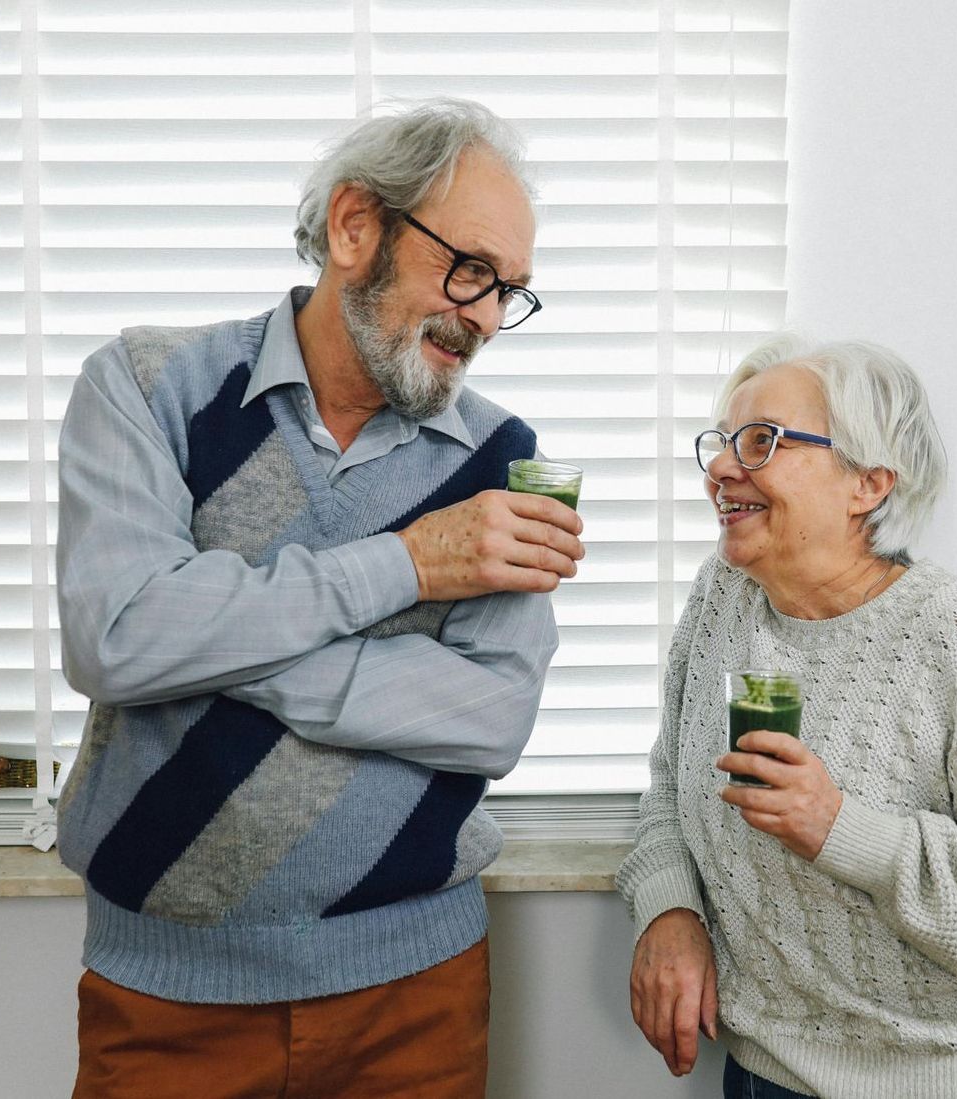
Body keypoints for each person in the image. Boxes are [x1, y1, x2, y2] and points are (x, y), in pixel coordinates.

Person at [54, 98, 584, 1099]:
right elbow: (116, 635)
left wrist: (215, 640)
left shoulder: (505, 460)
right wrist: (407, 566)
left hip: (415, 1001)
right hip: (166, 1004)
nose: (481, 314)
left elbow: (491, 718)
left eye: (507, 290)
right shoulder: (144, 386)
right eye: (468, 268)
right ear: (354, 227)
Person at [616, 334, 957, 1099]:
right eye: (722, 442)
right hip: (765, 1071)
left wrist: (840, 828)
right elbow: (670, 784)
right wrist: (669, 907)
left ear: (868, 483)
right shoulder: (724, 600)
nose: (720, 468)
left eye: (761, 442)